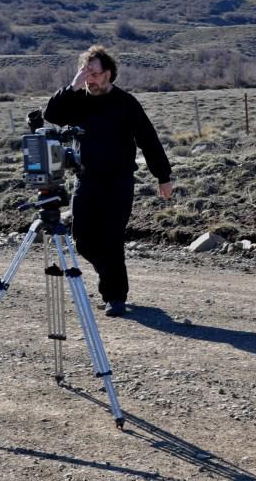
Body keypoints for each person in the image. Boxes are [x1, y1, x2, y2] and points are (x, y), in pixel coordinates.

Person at [43, 45, 173, 317]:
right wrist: (72, 86)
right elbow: (51, 115)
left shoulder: (126, 103)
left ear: (109, 74)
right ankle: (110, 278)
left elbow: (148, 139)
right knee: (83, 240)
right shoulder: (77, 100)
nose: (90, 78)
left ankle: (115, 296)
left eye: (94, 73)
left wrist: (163, 176)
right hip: (86, 180)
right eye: (85, 72)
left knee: (112, 240)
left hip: (119, 182)